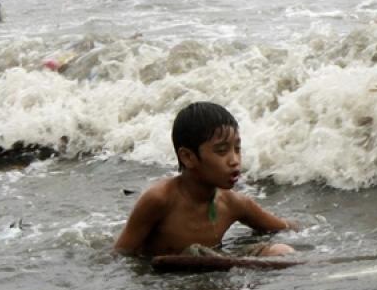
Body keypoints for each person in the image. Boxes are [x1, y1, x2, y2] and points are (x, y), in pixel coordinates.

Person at [113, 102, 295, 258]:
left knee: (281, 250)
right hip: (167, 281)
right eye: (222, 151)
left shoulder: (233, 203)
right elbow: (121, 253)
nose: (234, 160)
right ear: (188, 157)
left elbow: (282, 227)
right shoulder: (159, 200)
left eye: (237, 148)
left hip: (213, 267)